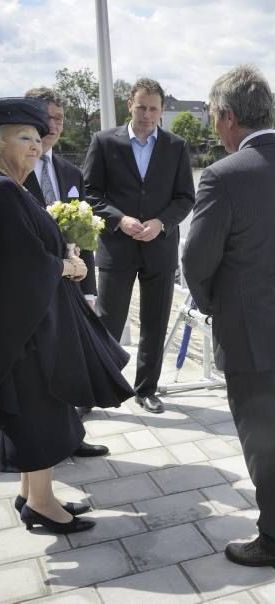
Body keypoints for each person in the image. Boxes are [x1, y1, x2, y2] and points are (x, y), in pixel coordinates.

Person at [182, 65, 275, 567]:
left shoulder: (224, 177)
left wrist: (210, 303)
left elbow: (195, 260)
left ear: (227, 117)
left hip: (249, 325)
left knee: (263, 436)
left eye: (211, 117)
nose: (211, 127)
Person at [0, 97, 134, 534]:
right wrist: (65, 266)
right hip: (30, 330)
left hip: (35, 323)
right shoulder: (3, 191)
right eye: (25, 138)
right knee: (40, 412)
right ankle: (40, 504)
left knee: (38, 411)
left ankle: (33, 493)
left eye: (39, 139)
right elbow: (20, 264)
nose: (35, 146)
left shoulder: (12, 188)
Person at [82, 78, 195, 414]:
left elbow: (185, 197)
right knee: (108, 323)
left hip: (159, 248)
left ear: (161, 111)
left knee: (155, 322)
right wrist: (120, 219)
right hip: (118, 247)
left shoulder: (176, 146)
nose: (147, 114)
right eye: (142, 106)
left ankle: (146, 389)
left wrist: (162, 223)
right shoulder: (104, 142)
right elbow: (90, 193)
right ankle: (97, 389)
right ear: (130, 103)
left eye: (154, 109)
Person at [23, 87, 109, 459]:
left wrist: (89, 287)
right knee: (33, 372)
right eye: (47, 117)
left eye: (59, 118)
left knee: (66, 362)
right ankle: (30, 449)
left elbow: (85, 232)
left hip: (69, 284)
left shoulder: (71, 171)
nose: (54, 125)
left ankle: (70, 437)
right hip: (29, 287)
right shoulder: (11, 168)